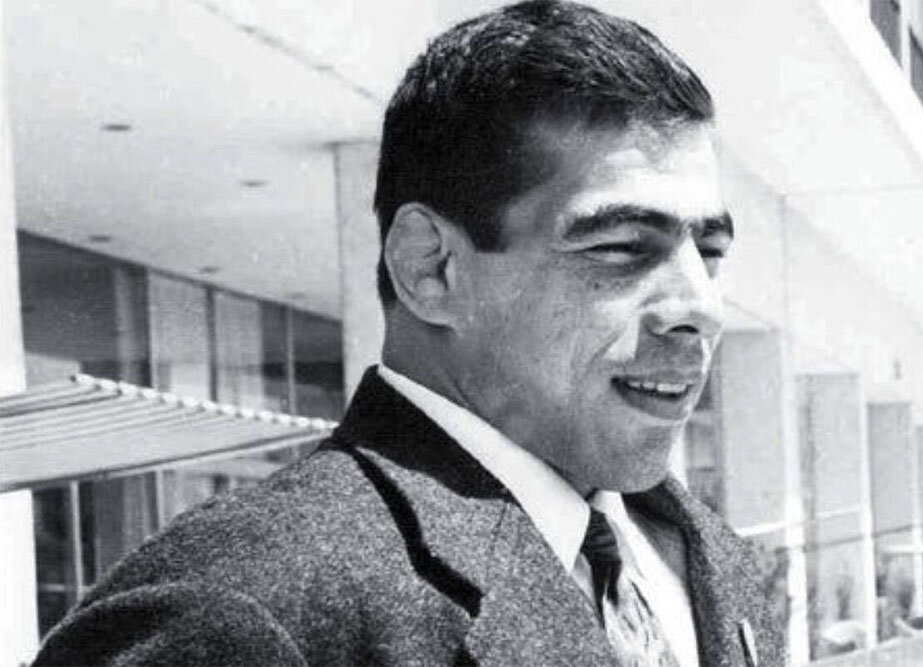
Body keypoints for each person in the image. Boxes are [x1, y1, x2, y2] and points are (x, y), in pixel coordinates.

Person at [33, 2, 784, 665]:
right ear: (431, 268)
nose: (702, 307)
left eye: (710, 251)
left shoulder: (708, 560)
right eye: (620, 247)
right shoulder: (241, 608)